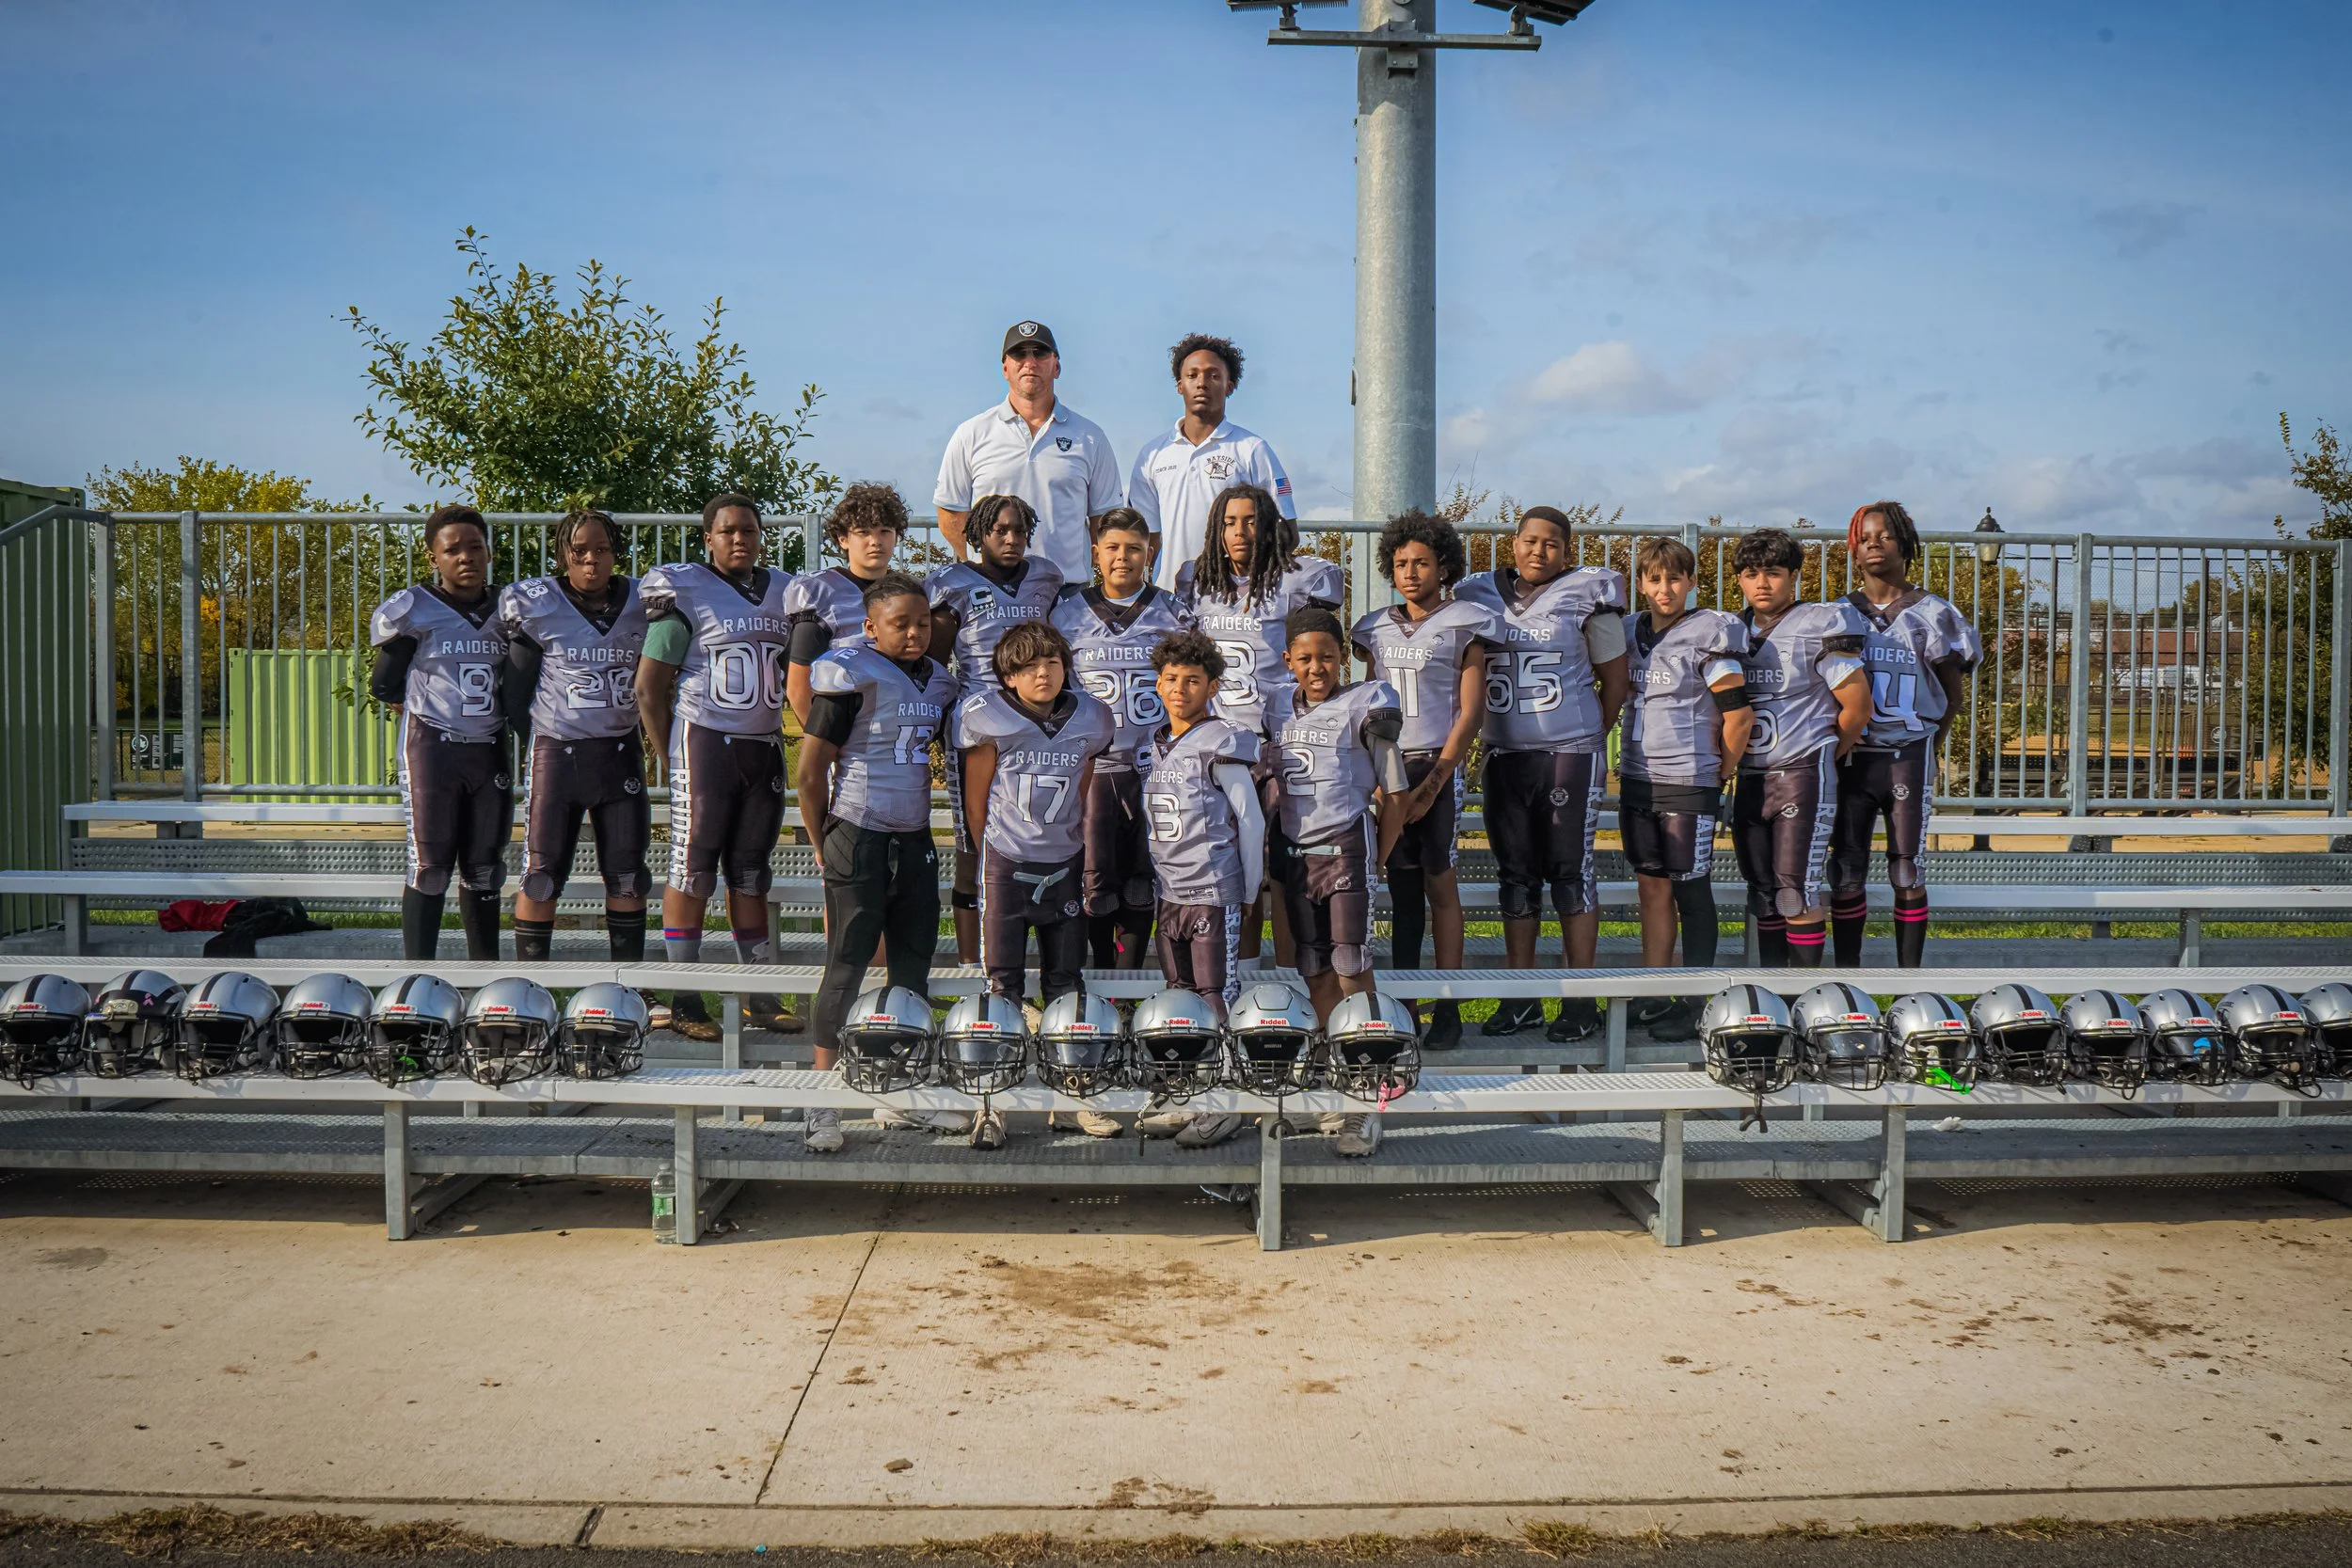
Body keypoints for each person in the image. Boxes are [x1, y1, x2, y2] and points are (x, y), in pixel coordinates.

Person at [797, 574, 963, 1153]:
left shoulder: (940, 682)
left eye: (922, 623)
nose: (914, 633)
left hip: (914, 834)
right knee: (846, 962)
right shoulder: (850, 672)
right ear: (871, 627)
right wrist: (824, 842)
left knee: (912, 965)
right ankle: (822, 1099)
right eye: (900, 624)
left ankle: (903, 1089)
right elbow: (811, 772)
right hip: (859, 827)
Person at [1454, 506, 1629, 1039]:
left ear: (1567, 550)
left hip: (1568, 756)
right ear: (1514, 543)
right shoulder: (1475, 593)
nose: (1539, 551)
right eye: (1531, 541)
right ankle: (1522, 996)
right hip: (1505, 755)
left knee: (1571, 874)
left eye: (1551, 544)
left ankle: (1580, 1001)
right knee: (1517, 879)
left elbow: (1616, 682)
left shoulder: (1588, 594)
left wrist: (1581, 736)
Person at [637, 494, 794, 1043]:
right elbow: (648, 687)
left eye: (749, 530)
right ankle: (685, 995)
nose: (739, 539)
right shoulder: (686, 589)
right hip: (705, 738)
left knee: (751, 869)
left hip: (763, 744)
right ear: (708, 537)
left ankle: (760, 992)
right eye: (727, 531)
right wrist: (669, 752)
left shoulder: (783, 590)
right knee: (693, 863)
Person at [959, 621, 1116, 1147]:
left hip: (1064, 862)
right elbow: (975, 803)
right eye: (1028, 666)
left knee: (1067, 986)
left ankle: (1071, 1099)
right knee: (1001, 990)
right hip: (1006, 863)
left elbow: (1084, 786)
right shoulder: (988, 718)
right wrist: (993, 856)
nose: (1042, 672)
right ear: (1007, 678)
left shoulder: (1090, 717)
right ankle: (992, 1103)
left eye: (1051, 662)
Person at [1176, 483, 1343, 963]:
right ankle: (1242, 979)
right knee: (1236, 870)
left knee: (1285, 870)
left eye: (1251, 520)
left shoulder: (1297, 578)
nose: (1240, 531)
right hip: (1218, 749)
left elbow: (1320, 631)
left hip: (1276, 742)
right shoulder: (1198, 580)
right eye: (1229, 522)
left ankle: (1294, 983)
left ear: (1270, 525)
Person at [1349, 511, 1498, 1052]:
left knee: (1440, 881)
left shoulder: (1466, 621)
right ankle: (1407, 1006)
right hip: (1389, 764)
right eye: (1401, 563)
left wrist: (1435, 781)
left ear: (1444, 565)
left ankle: (1450, 1006)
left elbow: (1471, 712)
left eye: (1422, 562)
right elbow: (1368, 705)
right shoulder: (1374, 627)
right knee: (1403, 890)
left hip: (1436, 760)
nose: (1411, 572)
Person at [1271, 607, 1406, 1159]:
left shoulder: (1365, 703)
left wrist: (1381, 855)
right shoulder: (1276, 708)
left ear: (1343, 656)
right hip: (1297, 856)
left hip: (1346, 848)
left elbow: (1395, 791)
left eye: (1327, 656)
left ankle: (1367, 1094)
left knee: (1353, 968)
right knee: (1316, 970)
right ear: (1287, 661)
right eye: (1304, 658)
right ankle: (1336, 1083)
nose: (1316, 667)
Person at [1829, 501, 1983, 969]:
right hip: (1853, 758)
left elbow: (1952, 694)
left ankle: (1909, 979)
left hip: (1906, 755)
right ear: (1854, 550)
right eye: (1865, 537)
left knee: (1907, 869)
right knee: (1847, 872)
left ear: (1907, 545)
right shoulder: (1837, 614)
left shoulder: (1934, 613)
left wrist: (1930, 745)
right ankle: (1846, 977)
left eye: (1885, 536)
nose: (1874, 544)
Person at [496, 508, 651, 966]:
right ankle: (531, 986)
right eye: (579, 551)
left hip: (620, 752)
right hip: (557, 755)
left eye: (601, 550)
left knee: (627, 876)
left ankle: (629, 984)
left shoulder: (642, 601)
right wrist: (546, 739)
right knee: (542, 876)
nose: (591, 561)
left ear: (615, 553)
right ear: (563, 553)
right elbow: (515, 695)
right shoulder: (539, 603)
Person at [1618, 536, 1752, 1041]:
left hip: (1689, 777)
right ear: (1641, 584)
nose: (1665, 588)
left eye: (1675, 578)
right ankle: (1655, 994)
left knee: (1691, 887)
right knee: (1651, 885)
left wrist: (1721, 770)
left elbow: (1739, 715)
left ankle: (1698, 1000)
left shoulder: (1708, 632)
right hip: (1638, 774)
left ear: (1692, 581)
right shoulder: (1630, 631)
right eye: (1654, 579)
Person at [1136, 629, 1265, 1149]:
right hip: (1170, 890)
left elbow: (1250, 820)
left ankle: (1226, 1099)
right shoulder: (1156, 741)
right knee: (1181, 999)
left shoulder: (1222, 738)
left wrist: (1250, 889)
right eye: (1171, 679)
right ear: (1158, 683)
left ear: (1212, 684)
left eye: (1192, 680)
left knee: (1218, 995)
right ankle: (1189, 1089)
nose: (1180, 688)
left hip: (1212, 888)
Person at [1051, 508, 1193, 972]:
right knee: (1096, 880)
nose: (1123, 557)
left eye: (1133, 548)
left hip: (1154, 768)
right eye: (1112, 547)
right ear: (1096, 552)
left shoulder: (1173, 611)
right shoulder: (1067, 612)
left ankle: (1129, 982)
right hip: (1094, 769)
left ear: (1150, 552)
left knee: (1143, 878)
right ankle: (1102, 978)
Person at [928, 494, 1068, 962]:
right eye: (998, 530)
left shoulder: (1045, 577)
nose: (1010, 539)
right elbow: (933, 663)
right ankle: (972, 966)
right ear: (977, 535)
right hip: (979, 731)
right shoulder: (954, 583)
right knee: (974, 848)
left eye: (1018, 530)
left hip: (1035, 729)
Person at [369, 503, 509, 962]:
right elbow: (385, 682)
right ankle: (417, 976)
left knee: (485, 868)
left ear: (489, 552)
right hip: (433, 747)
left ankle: (484, 976)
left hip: (489, 746)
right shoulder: (416, 607)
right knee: (429, 867)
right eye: (453, 550)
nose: (465, 557)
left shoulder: (510, 609)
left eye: (475, 547)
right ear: (434, 557)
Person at [1729, 528, 1872, 968]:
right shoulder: (1731, 629)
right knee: (1764, 893)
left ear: (1793, 576)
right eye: (1752, 574)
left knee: (1796, 889)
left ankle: (1804, 998)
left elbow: (1858, 706)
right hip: (1752, 775)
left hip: (1801, 772)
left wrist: (1826, 749)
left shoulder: (1820, 623)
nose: (1762, 583)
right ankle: (1776, 995)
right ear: (1739, 580)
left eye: (1773, 573)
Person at [934, 320, 1123, 581]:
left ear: (1056, 366)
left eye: (1040, 352)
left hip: (1066, 592)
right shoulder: (971, 433)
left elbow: (1104, 519)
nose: (1030, 362)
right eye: (1020, 354)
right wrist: (980, 561)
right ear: (1005, 368)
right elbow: (950, 512)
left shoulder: (1090, 437)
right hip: (993, 591)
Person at [1127, 333, 1295, 591]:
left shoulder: (1252, 449)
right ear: (1179, 385)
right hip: (1168, 595)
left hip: (1232, 600)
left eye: (1214, 375)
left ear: (1230, 385)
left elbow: (1287, 531)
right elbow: (1146, 536)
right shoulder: (1153, 454)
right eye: (1192, 375)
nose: (1202, 383)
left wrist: (1245, 579)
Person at [785, 482, 906, 724]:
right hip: (842, 725)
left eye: (884, 531)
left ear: (896, 536)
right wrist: (823, 744)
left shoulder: (908, 591)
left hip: (895, 723)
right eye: (863, 532)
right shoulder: (820, 590)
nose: (875, 541)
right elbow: (798, 687)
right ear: (843, 539)